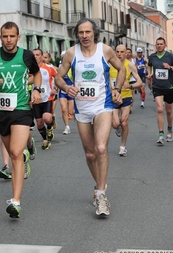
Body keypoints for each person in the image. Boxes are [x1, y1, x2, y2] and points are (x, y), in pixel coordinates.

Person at [55, 18, 125, 216]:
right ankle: (98, 185)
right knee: (90, 154)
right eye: (81, 32)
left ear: (94, 33)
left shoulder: (105, 50)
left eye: (88, 32)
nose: (84, 36)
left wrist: (117, 89)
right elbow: (58, 77)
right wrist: (67, 87)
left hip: (103, 105)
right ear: (76, 34)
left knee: (101, 147)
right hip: (81, 109)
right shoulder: (71, 53)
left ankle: (102, 196)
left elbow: (121, 69)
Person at [0, 21, 42, 218]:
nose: (8, 39)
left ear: (18, 37)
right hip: (1, 111)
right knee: (12, 151)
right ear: (0, 37)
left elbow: (37, 74)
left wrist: (37, 90)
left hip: (21, 108)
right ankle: (24, 159)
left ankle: (16, 201)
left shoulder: (26, 55)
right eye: (5, 36)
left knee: (14, 152)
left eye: (12, 36)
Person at [111, 45, 142, 156]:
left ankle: (122, 147)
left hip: (126, 97)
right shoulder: (110, 64)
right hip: (113, 98)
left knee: (124, 123)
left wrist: (130, 86)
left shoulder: (130, 65)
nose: (119, 54)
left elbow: (140, 82)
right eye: (117, 51)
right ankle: (117, 125)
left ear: (126, 53)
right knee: (115, 124)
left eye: (122, 52)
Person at [146, 37, 173, 145]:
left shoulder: (170, 56)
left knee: (168, 111)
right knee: (159, 109)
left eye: (161, 44)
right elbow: (149, 66)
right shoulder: (152, 57)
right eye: (157, 44)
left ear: (165, 45)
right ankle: (160, 135)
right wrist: (149, 74)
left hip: (169, 86)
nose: (159, 46)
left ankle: (169, 130)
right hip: (157, 86)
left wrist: (171, 67)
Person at [32, 48, 58, 150]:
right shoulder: (29, 69)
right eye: (33, 55)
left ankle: (51, 123)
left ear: (42, 57)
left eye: (38, 55)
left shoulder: (49, 68)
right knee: (39, 122)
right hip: (35, 99)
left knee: (47, 117)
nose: (35, 56)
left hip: (48, 97)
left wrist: (55, 88)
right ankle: (46, 139)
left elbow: (58, 78)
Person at [58, 50, 75, 134]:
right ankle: (67, 127)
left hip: (71, 90)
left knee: (71, 111)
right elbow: (57, 78)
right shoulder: (61, 66)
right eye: (63, 57)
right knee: (64, 109)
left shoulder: (73, 65)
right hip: (63, 91)